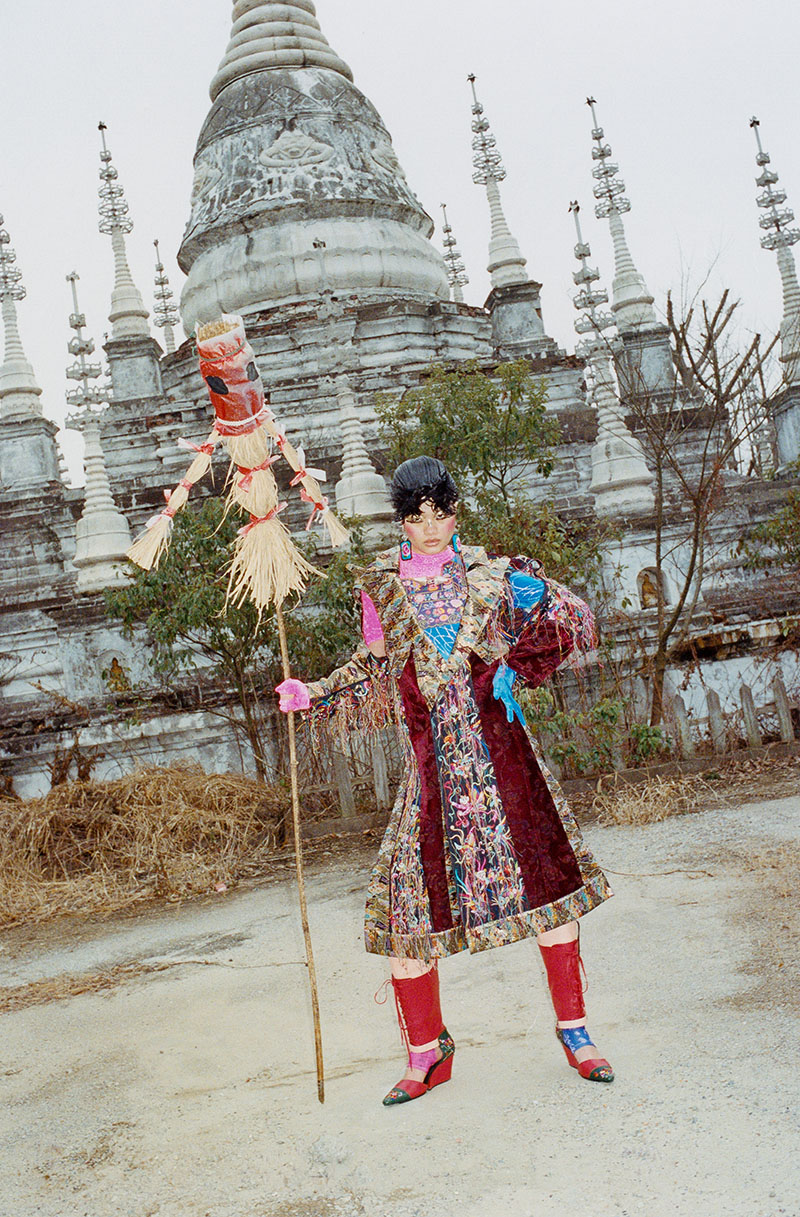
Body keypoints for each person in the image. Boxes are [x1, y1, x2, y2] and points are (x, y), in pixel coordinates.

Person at [276, 456, 614, 1105]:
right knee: (406, 910)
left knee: (551, 890)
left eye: (440, 513)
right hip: (431, 773)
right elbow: (372, 666)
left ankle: (575, 1032)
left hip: (505, 762)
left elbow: (571, 614)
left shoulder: (495, 574)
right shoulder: (382, 585)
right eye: (416, 517)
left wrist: (519, 665)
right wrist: (310, 693)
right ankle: (427, 1052)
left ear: (454, 513)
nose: (430, 528)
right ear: (401, 521)